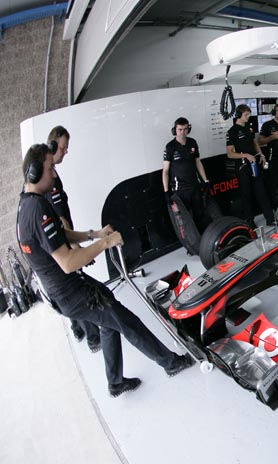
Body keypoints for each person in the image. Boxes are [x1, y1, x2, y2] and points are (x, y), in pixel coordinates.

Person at [18, 144, 194, 398]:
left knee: (108, 322)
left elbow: (61, 233)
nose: (54, 174)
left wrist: (94, 234)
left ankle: (115, 382)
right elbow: (68, 262)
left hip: (69, 289)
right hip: (72, 293)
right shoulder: (37, 210)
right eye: (50, 168)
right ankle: (171, 363)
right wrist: (105, 243)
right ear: (34, 172)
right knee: (127, 322)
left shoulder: (27, 203)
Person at [44, 126, 102, 352]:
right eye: (63, 147)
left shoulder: (47, 175)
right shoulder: (51, 179)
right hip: (64, 244)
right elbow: (61, 220)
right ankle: (93, 338)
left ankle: (77, 328)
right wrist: (78, 248)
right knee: (77, 288)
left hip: (57, 244)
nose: (66, 152)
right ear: (52, 146)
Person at [226, 105, 277, 226]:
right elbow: (230, 154)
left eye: (249, 114)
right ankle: (249, 221)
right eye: (246, 115)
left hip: (254, 164)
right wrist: (246, 155)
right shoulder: (232, 131)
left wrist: (261, 154)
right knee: (246, 194)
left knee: (261, 191)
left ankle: (270, 219)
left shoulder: (249, 127)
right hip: (242, 167)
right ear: (239, 115)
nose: (248, 117)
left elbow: (255, 143)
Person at [162, 117, 212, 230]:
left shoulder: (192, 142)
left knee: (200, 215)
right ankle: (192, 240)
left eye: (185, 129)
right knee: (185, 219)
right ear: (175, 130)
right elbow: (165, 171)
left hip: (194, 186)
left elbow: (198, 162)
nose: (182, 132)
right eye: (180, 129)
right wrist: (166, 191)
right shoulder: (170, 147)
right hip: (180, 189)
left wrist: (205, 180)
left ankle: (204, 237)